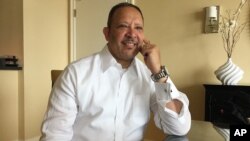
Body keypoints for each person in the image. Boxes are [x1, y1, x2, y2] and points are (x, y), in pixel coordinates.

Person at [40, 2, 191, 141]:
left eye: (138, 28)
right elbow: (55, 135)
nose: (132, 34)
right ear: (107, 33)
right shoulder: (75, 74)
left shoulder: (150, 76)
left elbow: (178, 127)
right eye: (123, 26)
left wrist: (158, 73)